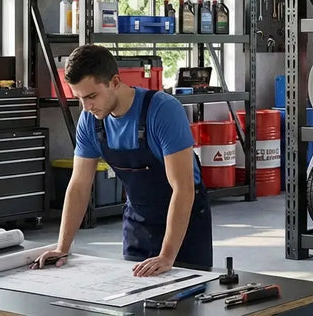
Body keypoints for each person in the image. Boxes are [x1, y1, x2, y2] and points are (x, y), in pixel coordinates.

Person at [34, 45, 212, 276]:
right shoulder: (90, 121)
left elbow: (183, 189)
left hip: (185, 222)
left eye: (91, 96)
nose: (86, 107)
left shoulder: (163, 110)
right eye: (79, 99)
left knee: (188, 294)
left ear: (115, 82)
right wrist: (62, 248)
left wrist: (167, 256)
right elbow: (79, 186)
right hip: (138, 220)